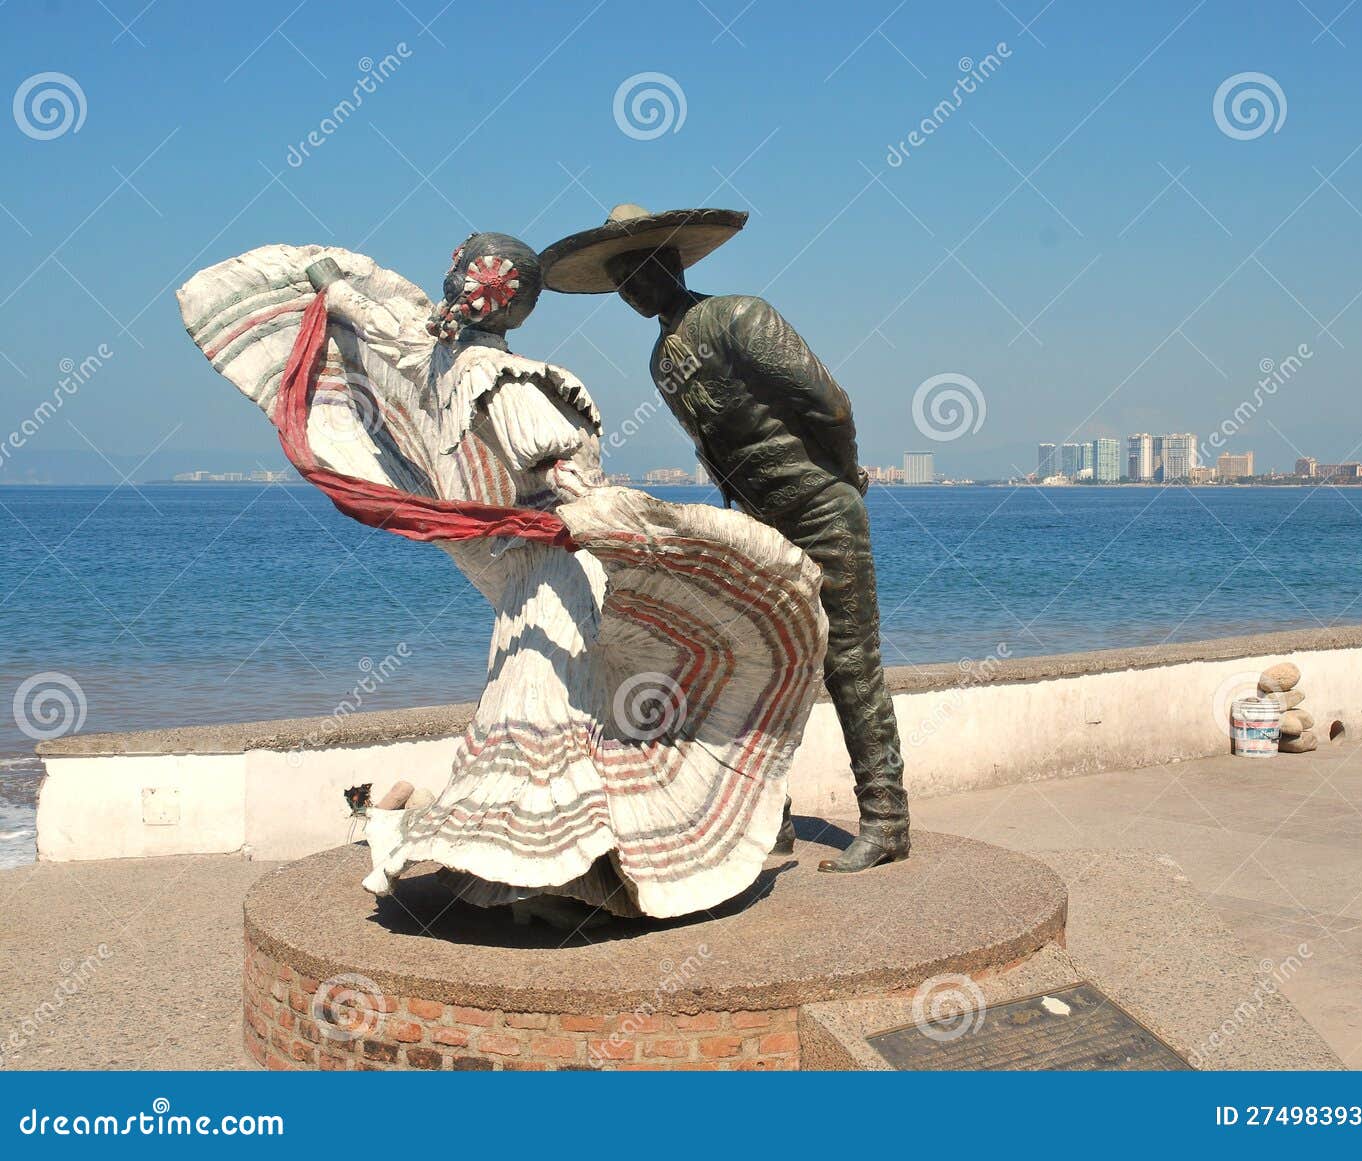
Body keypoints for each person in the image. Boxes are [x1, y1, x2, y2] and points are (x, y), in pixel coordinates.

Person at [176, 233, 827, 922]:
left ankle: (528, 881)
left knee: (535, 730)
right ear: (519, 309)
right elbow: (572, 488)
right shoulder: (510, 386)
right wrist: (659, 531)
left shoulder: (425, 360)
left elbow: (361, 314)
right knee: (555, 726)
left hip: (517, 585)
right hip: (553, 584)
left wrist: (334, 289)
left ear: (458, 279)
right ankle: (540, 881)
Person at [540, 206, 910, 874]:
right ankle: (770, 817)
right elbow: (716, 451)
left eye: (641, 272)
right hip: (755, 521)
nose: (632, 291)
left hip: (820, 509)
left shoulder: (739, 316)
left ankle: (887, 819)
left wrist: (842, 478)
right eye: (621, 282)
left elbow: (830, 404)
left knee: (849, 664)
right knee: (759, 662)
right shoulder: (662, 360)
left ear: (673, 263)